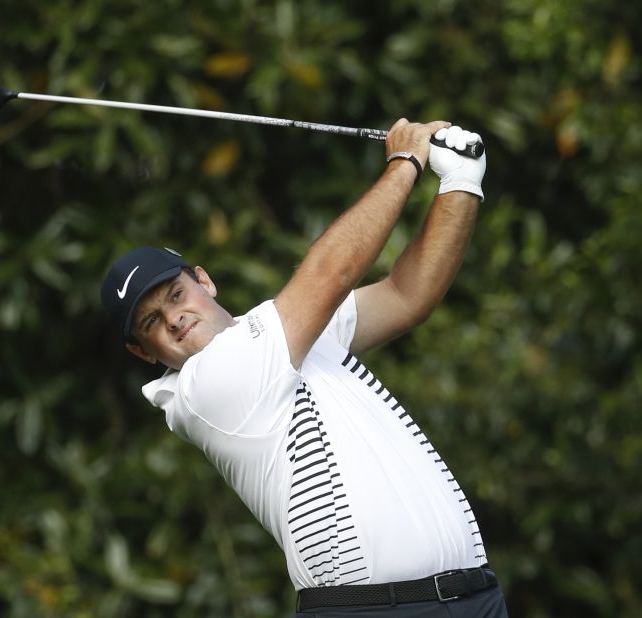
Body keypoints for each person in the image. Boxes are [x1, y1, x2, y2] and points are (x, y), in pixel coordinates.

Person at [101, 119, 508, 617]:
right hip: (371, 610)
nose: (175, 318)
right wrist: (406, 162)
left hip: (474, 599)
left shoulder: (280, 334)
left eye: (176, 295)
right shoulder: (204, 389)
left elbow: (406, 296)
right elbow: (331, 272)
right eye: (152, 323)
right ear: (144, 354)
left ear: (203, 281)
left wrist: (462, 183)